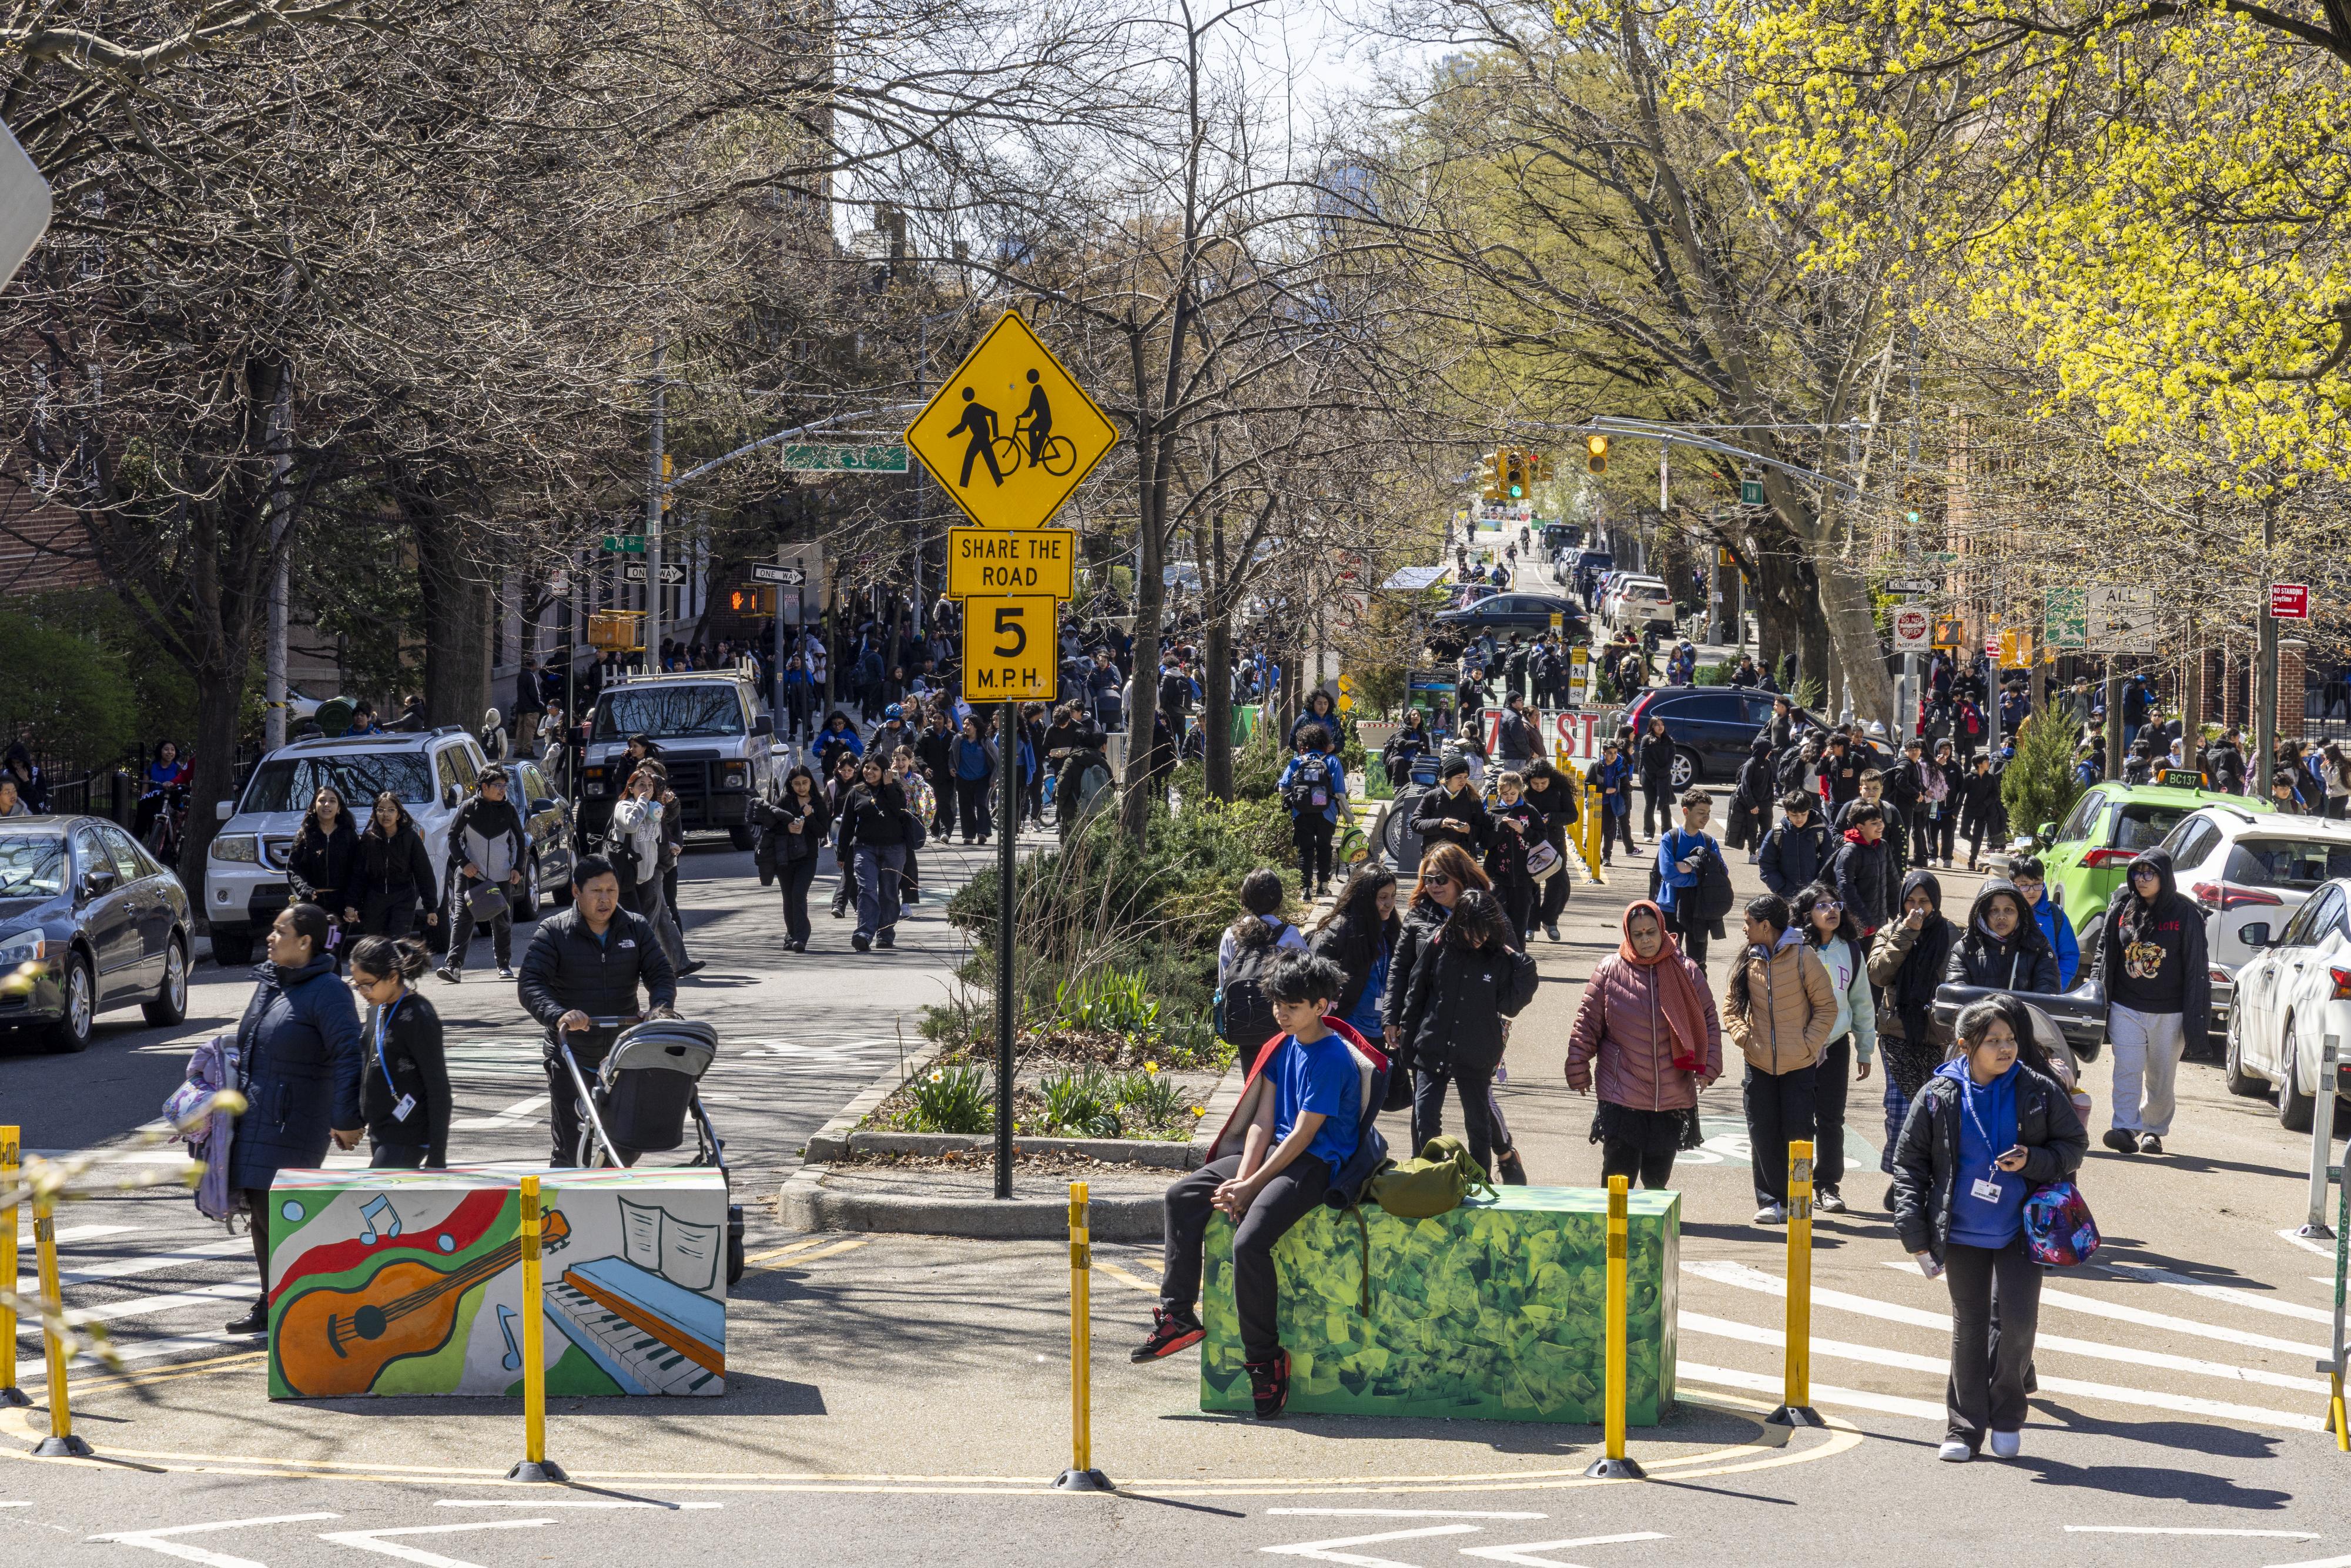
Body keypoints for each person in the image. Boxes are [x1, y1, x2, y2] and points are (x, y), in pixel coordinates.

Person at [1134, 951, 1382, 1420]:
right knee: (1181, 1195)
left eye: (1292, 1005)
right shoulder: (1284, 1045)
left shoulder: (1331, 1058)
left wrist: (1248, 1188)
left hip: (1315, 1164)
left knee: (1249, 1243)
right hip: (1275, 1156)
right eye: (1277, 1004)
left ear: (1322, 1006)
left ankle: (1266, 1360)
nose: (1281, 1013)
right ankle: (1178, 1316)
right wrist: (1242, 1178)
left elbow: (1306, 1135)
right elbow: (1262, 1125)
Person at [1893, 993, 2087, 1462]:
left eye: (2010, 1039)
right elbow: (1909, 1165)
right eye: (1993, 1041)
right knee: (1971, 1327)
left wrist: (2033, 1160)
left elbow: (2073, 1146)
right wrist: (1915, 1237)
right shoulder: (1939, 1095)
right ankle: (1963, 1428)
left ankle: (2006, 1417)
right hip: (1960, 1231)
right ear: (1965, 1046)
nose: (2005, 1049)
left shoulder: (2038, 1089)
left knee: (2018, 1324)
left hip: (2022, 1229)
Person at [222, 904, 364, 1334]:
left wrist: (346, 1117)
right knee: (262, 1216)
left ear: (305, 941)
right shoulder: (270, 984)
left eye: (279, 930)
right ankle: (271, 1302)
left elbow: (348, 1055)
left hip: (294, 1121)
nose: (270, 937)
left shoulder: (328, 991)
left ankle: (294, 1307)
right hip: (255, 1117)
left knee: (280, 1215)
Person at [517, 857, 681, 1166]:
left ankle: (606, 1186)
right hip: (571, 1054)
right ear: (576, 892)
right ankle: (567, 1201)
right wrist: (559, 1015)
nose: (605, 899)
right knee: (572, 1145)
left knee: (626, 1141)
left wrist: (658, 1010)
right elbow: (530, 985)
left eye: (612, 890)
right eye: (596, 891)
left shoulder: (636, 926)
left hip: (621, 1055)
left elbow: (661, 974)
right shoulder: (554, 931)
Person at [1564, 901, 1722, 1190]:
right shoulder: (1610, 970)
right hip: (1622, 1091)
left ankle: (1654, 1234)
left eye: (1651, 932)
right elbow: (1587, 1023)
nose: (1646, 939)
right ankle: (1614, 1232)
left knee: (1656, 1179)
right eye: (1638, 934)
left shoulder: (1687, 970)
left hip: (1673, 1091)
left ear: (1663, 930)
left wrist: (1709, 1065)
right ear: (1628, 935)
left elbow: (1708, 1020)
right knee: (1618, 1178)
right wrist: (1578, 1066)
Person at [1395, 888, 1536, 1180]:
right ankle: (1431, 1179)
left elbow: (1510, 1005)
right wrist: (1408, 1049)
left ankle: (1480, 1180)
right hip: (1432, 1046)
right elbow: (1415, 994)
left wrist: (1524, 967)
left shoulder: (1497, 958)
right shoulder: (1438, 945)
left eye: (1485, 931)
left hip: (1475, 1052)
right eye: (1472, 930)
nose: (1479, 938)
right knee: (1425, 1117)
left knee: (1479, 1124)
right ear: (1458, 924)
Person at [1722, 893, 1835, 1225]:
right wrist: (1745, 1038)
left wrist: (1807, 1045)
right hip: (1758, 1065)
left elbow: (1826, 1008)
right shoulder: (1749, 959)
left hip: (1799, 1065)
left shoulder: (1804, 958)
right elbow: (1731, 1007)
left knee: (1799, 1135)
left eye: (1748, 923)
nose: (1744, 929)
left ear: (1765, 926)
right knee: (1762, 1131)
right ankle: (1770, 1200)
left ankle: (1798, 1201)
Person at [2095, 847, 2208, 1157]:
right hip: (2125, 1007)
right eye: (2136, 872)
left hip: (2170, 1012)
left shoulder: (2186, 914)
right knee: (2127, 1070)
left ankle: (2154, 1132)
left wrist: (2197, 1015)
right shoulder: (2122, 908)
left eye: (2149, 873)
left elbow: (2197, 967)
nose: (2141, 879)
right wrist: (2096, 989)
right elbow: (2104, 953)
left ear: (2164, 876)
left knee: (2160, 1078)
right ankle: (2125, 1128)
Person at [1869, 869, 1960, 1207]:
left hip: (1939, 1039)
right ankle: (1902, 1176)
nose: (1917, 908)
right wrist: (1907, 933)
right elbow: (1879, 975)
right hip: (1897, 1034)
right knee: (1899, 1111)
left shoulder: (1954, 935)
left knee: (1936, 1114)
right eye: (1911, 900)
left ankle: (1924, 1180)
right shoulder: (1890, 931)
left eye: (1924, 901)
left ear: (1935, 902)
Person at [1792, 882, 1876, 1212]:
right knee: (1798, 1120)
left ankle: (1827, 1185)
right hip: (1798, 1047)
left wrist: (1865, 1049)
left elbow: (1862, 1003)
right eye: (1822, 906)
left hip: (1836, 1046)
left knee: (1830, 1119)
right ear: (1805, 915)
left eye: (1836, 905)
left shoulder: (1852, 951)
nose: (1832, 911)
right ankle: (1797, 1186)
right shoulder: (1795, 947)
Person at [346, 936, 452, 1169]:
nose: (362, 991)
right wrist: (351, 1118)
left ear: (393, 977)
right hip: (381, 1127)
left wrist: (438, 1157)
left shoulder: (420, 1015)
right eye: (356, 984)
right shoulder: (377, 1007)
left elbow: (439, 1088)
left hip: (408, 1132)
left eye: (367, 983)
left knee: (373, 1198)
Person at [436, 765, 528, 984]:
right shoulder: (468, 808)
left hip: (501, 876)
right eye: (497, 786)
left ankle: (504, 964)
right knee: (463, 919)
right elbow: (453, 838)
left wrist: (517, 868)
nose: (502, 790)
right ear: (484, 786)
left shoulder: (509, 810)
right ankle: (453, 966)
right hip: (470, 875)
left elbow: (519, 841)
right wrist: (464, 863)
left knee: (502, 920)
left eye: (504, 786)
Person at [1311, 869, 1401, 1057]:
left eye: (1393, 896)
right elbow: (1316, 976)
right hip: (1347, 1029)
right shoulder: (1341, 929)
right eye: (1383, 897)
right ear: (1365, 898)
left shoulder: (1393, 930)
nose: (1390, 904)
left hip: (1381, 1029)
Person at [608, 767, 689, 970]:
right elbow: (631, 825)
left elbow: (655, 840)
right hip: (626, 875)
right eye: (641, 785)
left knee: (646, 923)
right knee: (633, 924)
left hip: (647, 875)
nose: (646, 789)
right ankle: (628, 967)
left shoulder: (653, 808)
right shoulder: (623, 806)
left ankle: (651, 966)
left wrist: (670, 848)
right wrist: (642, 802)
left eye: (650, 785)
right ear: (631, 788)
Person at [838, 753, 910, 953]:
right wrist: (842, 854)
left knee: (888, 892)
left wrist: (888, 786)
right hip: (864, 848)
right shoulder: (856, 792)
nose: (869, 772)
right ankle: (864, 933)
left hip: (894, 848)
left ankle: (886, 934)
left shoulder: (896, 789)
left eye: (875, 769)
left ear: (885, 771)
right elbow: (846, 826)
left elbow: (899, 811)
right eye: (867, 768)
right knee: (867, 889)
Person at [756, 765, 831, 952]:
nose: (801, 787)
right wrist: (788, 828)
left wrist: (810, 817)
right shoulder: (785, 801)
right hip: (785, 858)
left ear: (810, 783)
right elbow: (770, 826)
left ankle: (801, 936)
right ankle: (791, 934)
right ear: (791, 784)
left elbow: (823, 831)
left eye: (805, 783)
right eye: (797, 784)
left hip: (808, 858)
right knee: (788, 898)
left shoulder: (817, 803)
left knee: (799, 894)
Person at [286, 786, 361, 964]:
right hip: (312, 906)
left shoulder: (348, 835)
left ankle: (332, 988)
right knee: (313, 953)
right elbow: (293, 869)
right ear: (314, 806)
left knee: (332, 952)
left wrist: (351, 904)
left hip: (339, 907)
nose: (327, 804)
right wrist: (304, 889)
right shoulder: (304, 835)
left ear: (339, 808)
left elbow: (357, 872)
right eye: (322, 800)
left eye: (332, 801)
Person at [1946, 879, 2061, 993]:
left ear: (2020, 914)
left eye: (2009, 910)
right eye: (1994, 910)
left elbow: (2047, 992)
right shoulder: (1965, 950)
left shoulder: (2039, 948)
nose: (2001, 917)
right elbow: (1956, 995)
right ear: (1983, 915)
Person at [1653, 786, 1722, 968]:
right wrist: (1698, 878)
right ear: (1686, 811)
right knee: (1667, 961)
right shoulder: (1670, 838)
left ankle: (1697, 996)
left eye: (1708, 812)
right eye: (1701, 812)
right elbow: (1668, 874)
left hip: (1699, 909)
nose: (1706, 817)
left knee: (1698, 964)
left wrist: (1689, 866)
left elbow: (1721, 872)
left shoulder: (1709, 841)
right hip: (1670, 907)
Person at [354, 792, 439, 940]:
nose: (385, 814)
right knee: (378, 948)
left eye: (391, 810)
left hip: (403, 899)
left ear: (399, 815)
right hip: (375, 900)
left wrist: (431, 908)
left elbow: (424, 873)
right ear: (375, 813)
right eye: (381, 810)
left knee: (398, 944)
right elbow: (358, 874)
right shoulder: (369, 839)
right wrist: (352, 904)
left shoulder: (410, 837)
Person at [1279, 723, 1348, 900]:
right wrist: (1348, 816)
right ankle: (1323, 888)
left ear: (1303, 743)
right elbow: (1339, 792)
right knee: (1325, 848)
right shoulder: (1333, 761)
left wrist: (1294, 801)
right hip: (1327, 813)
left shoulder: (1297, 762)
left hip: (1301, 813)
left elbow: (1283, 787)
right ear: (1325, 741)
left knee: (1305, 850)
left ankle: (1306, 891)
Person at [1522, 760, 1578, 940]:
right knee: (1531, 884)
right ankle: (1530, 925)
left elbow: (1572, 815)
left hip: (1555, 841)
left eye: (1543, 783)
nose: (1539, 787)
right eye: (1535, 784)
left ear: (1550, 780)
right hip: (1528, 842)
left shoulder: (1559, 789)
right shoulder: (1523, 790)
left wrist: (1552, 818)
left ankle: (1549, 919)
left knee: (1560, 884)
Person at [1485, 770, 1543, 941]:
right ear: (1499, 792)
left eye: (1513, 793)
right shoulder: (1493, 813)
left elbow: (1542, 839)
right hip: (1498, 878)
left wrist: (1523, 830)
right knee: (1498, 926)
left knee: (1519, 927)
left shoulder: (1530, 812)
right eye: (1505, 794)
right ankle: (1497, 964)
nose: (1509, 797)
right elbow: (1485, 842)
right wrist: (1500, 829)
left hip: (1524, 879)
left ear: (1520, 791)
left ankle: (1518, 963)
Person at [1830, 800, 1898, 939]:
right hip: (1858, 926)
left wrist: (1898, 913)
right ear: (1860, 827)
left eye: (1881, 821)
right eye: (1874, 823)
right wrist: (1864, 921)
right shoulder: (1850, 851)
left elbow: (1893, 883)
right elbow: (1845, 889)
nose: (1880, 826)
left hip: (1880, 922)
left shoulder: (1882, 846)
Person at [1412, 755, 1491, 857]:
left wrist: (1468, 830)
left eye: (1465, 777)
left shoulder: (1473, 800)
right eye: (1459, 777)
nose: (1463, 781)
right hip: (1434, 858)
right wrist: (1441, 823)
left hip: (1461, 860)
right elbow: (1415, 823)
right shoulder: (1431, 797)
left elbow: (1483, 832)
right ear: (1448, 778)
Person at [1758, 789, 1831, 900]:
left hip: (1815, 895)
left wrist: (1818, 887)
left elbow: (1829, 863)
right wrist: (1781, 888)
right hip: (1787, 895)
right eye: (1794, 815)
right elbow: (1766, 863)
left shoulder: (1820, 831)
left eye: (1803, 814)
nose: (1799, 819)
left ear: (1809, 811)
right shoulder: (1778, 832)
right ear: (1786, 813)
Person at [953, 713, 999, 845]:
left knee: (981, 804)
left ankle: (983, 833)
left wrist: (994, 777)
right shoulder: (959, 740)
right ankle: (968, 835)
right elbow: (952, 755)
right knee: (966, 807)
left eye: (969, 724)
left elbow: (998, 760)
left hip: (982, 778)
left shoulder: (985, 742)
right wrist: (952, 767)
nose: (966, 727)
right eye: (965, 724)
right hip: (963, 778)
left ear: (976, 727)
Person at [1730, 736, 1775, 864]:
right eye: (1768, 750)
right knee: (1752, 831)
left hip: (1766, 803)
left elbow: (1770, 783)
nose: (1770, 753)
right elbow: (1745, 786)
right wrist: (1752, 805)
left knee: (1766, 829)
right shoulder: (1750, 765)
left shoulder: (1767, 764)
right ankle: (1752, 853)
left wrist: (1771, 800)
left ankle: (1761, 851)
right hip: (1753, 805)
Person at [1958, 753, 2005, 870]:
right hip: (1969, 810)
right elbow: (1962, 794)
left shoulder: (1990, 778)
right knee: (1964, 833)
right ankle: (1975, 842)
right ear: (1979, 764)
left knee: (1978, 835)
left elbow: (1996, 794)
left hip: (1983, 812)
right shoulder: (1970, 777)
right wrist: (1956, 811)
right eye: (1986, 761)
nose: (1989, 763)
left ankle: (1972, 860)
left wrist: (1986, 803)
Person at [1592, 740, 1636, 863]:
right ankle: (1595, 854)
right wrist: (1605, 790)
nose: (1613, 756)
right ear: (1604, 753)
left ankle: (1607, 856)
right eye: (1610, 753)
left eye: (1615, 753)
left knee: (1609, 831)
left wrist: (1623, 798)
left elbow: (1626, 785)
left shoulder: (1620, 767)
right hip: (1598, 803)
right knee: (1597, 831)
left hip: (1612, 804)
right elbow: (1588, 785)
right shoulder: (1597, 766)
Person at [1635, 713, 1677, 842]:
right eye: (1657, 725)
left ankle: (1667, 833)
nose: (1660, 727)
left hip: (1664, 777)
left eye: (1662, 724)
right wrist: (1656, 774)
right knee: (1650, 804)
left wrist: (1663, 772)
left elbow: (1671, 759)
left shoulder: (1668, 741)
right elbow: (1645, 760)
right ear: (1652, 727)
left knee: (1665, 805)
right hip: (1649, 776)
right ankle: (1648, 833)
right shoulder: (1647, 740)